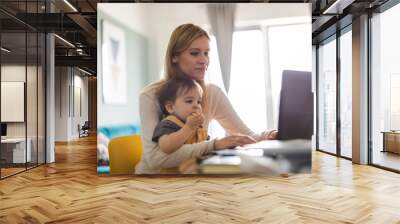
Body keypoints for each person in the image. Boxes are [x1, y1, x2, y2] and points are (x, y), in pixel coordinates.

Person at [135, 23, 277, 174]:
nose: (204, 60)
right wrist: (214, 145)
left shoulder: (212, 93)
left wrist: (270, 135)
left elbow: (246, 136)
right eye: (195, 53)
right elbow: (156, 159)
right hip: (153, 181)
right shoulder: (150, 96)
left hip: (190, 177)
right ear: (174, 57)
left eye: (206, 53)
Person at [152, 76, 209, 154]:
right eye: (189, 101)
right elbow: (166, 147)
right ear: (170, 107)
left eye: (199, 102)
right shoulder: (168, 123)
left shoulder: (197, 126)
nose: (196, 105)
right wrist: (188, 128)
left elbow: (206, 145)